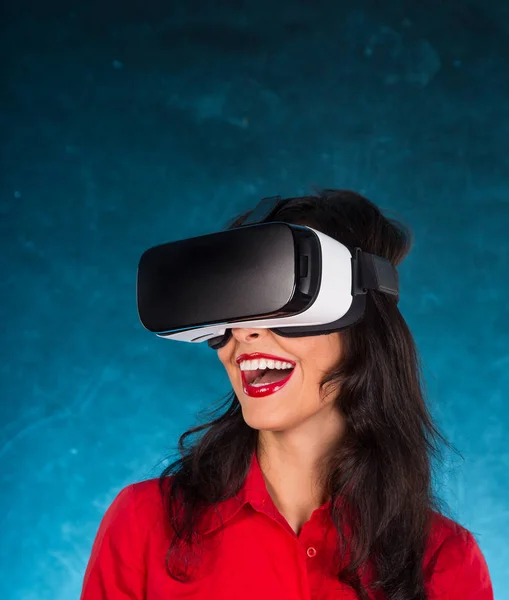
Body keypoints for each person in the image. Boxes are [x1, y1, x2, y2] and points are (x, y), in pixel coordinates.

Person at [80, 190, 494, 600]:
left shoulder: (444, 560)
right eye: (232, 308)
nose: (243, 333)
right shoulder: (145, 523)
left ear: (362, 327)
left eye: (281, 301)